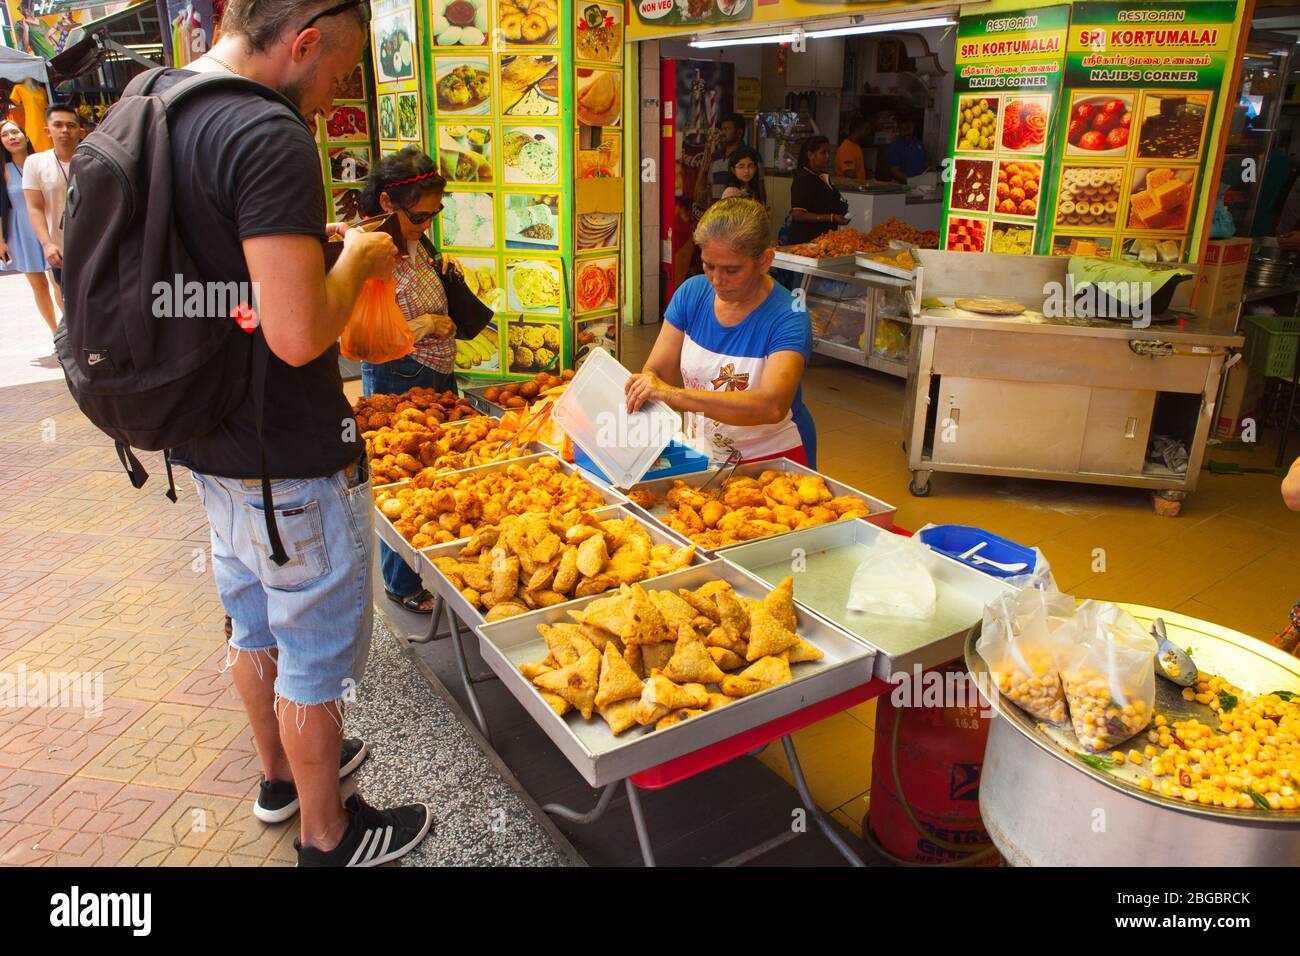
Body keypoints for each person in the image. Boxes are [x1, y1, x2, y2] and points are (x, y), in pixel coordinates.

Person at [152, 0, 432, 867]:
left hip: (205, 433)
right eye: (341, 73)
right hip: (284, 448)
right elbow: (301, 332)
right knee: (313, 647)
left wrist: (310, 245)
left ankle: (281, 779)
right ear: (303, 42)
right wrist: (354, 260)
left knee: (250, 620)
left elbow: (221, 265)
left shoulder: (161, 103)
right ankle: (328, 834)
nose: (336, 93)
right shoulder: (267, 134)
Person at [627, 197, 817, 467]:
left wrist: (673, 395)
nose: (717, 280)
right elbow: (657, 373)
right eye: (709, 266)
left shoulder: (788, 314)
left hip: (774, 460)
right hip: (706, 453)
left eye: (731, 270)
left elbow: (771, 405)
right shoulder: (692, 293)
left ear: (765, 261)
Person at [357, 147, 456, 615]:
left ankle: (429, 567)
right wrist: (429, 324)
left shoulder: (416, 237)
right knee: (403, 482)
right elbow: (365, 326)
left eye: (435, 214)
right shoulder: (371, 246)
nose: (428, 223)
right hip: (399, 372)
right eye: (420, 215)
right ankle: (401, 582)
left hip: (435, 370)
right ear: (387, 205)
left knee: (435, 473)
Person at [0, 120, 56, 334]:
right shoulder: (4, 171)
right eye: (5, 135)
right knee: (39, 285)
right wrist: (1, 241)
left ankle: (70, 329)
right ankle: (56, 335)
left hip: (48, 227)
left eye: (15, 132)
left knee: (59, 281)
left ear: (26, 135)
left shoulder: (41, 162)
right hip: (21, 231)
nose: (11, 137)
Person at [23, 103, 79, 296]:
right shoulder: (35, 163)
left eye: (71, 125)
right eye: (58, 125)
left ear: (79, 130)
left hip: (94, 246)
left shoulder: (91, 159)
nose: (65, 130)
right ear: (47, 130)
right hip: (61, 249)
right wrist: (47, 244)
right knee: (69, 300)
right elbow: (34, 207)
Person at [788, 135, 848, 246]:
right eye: (823, 153)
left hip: (823, 239)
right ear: (811, 155)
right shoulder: (803, 180)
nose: (827, 157)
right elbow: (798, 214)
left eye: (829, 152)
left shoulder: (823, 176)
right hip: (806, 241)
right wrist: (831, 217)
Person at [709, 112, 761, 202]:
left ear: (739, 132)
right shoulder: (716, 155)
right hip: (717, 211)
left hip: (740, 210)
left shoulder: (751, 154)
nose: (723, 133)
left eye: (727, 129)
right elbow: (711, 185)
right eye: (722, 129)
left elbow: (760, 186)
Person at [887, 118, 928, 183]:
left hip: (921, 185)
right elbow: (894, 171)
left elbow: (926, 166)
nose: (906, 133)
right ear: (899, 131)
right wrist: (911, 180)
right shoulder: (895, 146)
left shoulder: (920, 145)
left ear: (913, 128)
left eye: (908, 129)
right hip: (901, 185)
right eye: (903, 130)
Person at [834, 116, 872, 182]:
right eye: (866, 129)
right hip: (849, 191)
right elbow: (850, 177)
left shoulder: (856, 146)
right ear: (858, 129)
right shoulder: (847, 148)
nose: (868, 132)